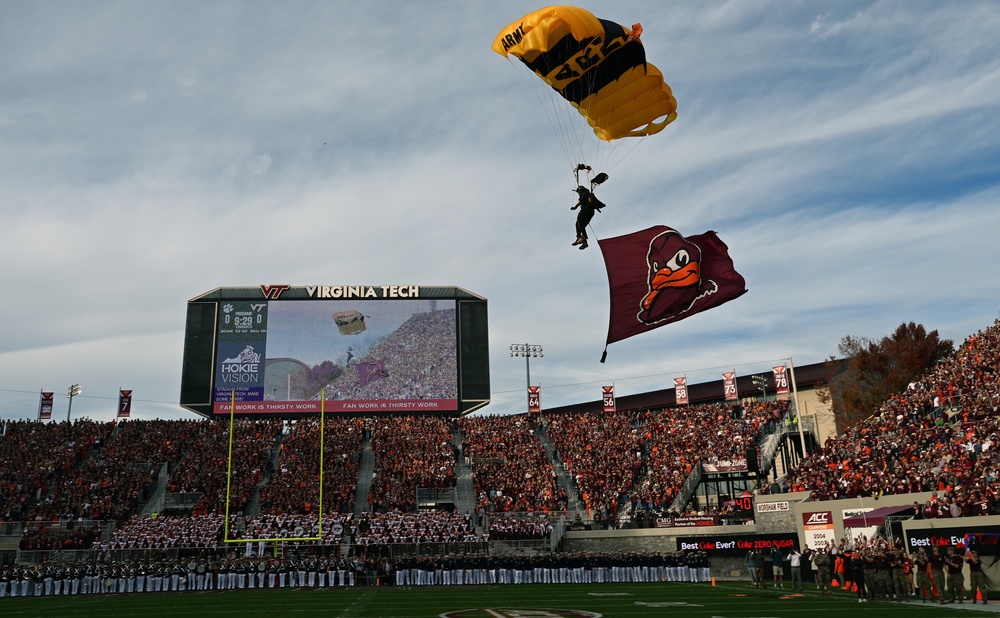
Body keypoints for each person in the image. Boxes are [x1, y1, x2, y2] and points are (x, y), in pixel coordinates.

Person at [570, 186, 605, 250]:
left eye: (578, 192)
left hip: (585, 210)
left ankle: (580, 237)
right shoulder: (589, 195)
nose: (578, 194)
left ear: (580, 190)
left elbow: (581, 200)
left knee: (579, 223)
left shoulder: (583, 193)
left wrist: (575, 207)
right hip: (591, 212)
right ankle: (584, 242)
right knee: (580, 225)